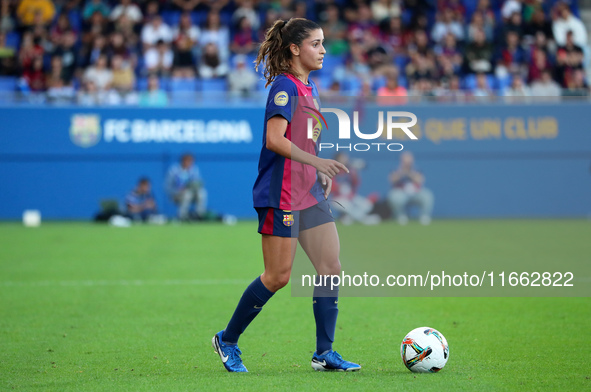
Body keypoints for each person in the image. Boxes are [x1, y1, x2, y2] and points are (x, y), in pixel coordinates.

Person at [212, 18, 361, 373]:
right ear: (295, 48)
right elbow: (274, 140)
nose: (323, 51)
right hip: (280, 194)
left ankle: (324, 353)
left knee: (330, 268)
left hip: (308, 191)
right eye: (316, 44)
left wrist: (318, 173)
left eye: (324, 43)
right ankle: (227, 340)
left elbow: (310, 137)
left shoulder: (311, 89)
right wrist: (317, 162)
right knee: (277, 277)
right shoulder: (284, 87)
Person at [387, 151, 434, 225]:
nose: (407, 163)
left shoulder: (417, 169)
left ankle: (424, 216)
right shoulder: (396, 170)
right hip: (401, 193)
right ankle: (401, 216)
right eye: (405, 160)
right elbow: (392, 180)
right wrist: (401, 172)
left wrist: (409, 173)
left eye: (409, 160)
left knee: (427, 195)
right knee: (394, 196)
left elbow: (420, 180)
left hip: (415, 193)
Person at [165, 153, 207, 220]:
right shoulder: (174, 170)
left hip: (191, 192)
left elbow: (198, 182)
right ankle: (182, 216)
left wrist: (194, 185)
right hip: (177, 194)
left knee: (202, 192)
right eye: (187, 161)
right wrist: (178, 191)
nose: (188, 163)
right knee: (187, 194)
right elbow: (168, 186)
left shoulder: (194, 170)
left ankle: (199, 215)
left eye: (190, 161)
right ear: (182, 161)